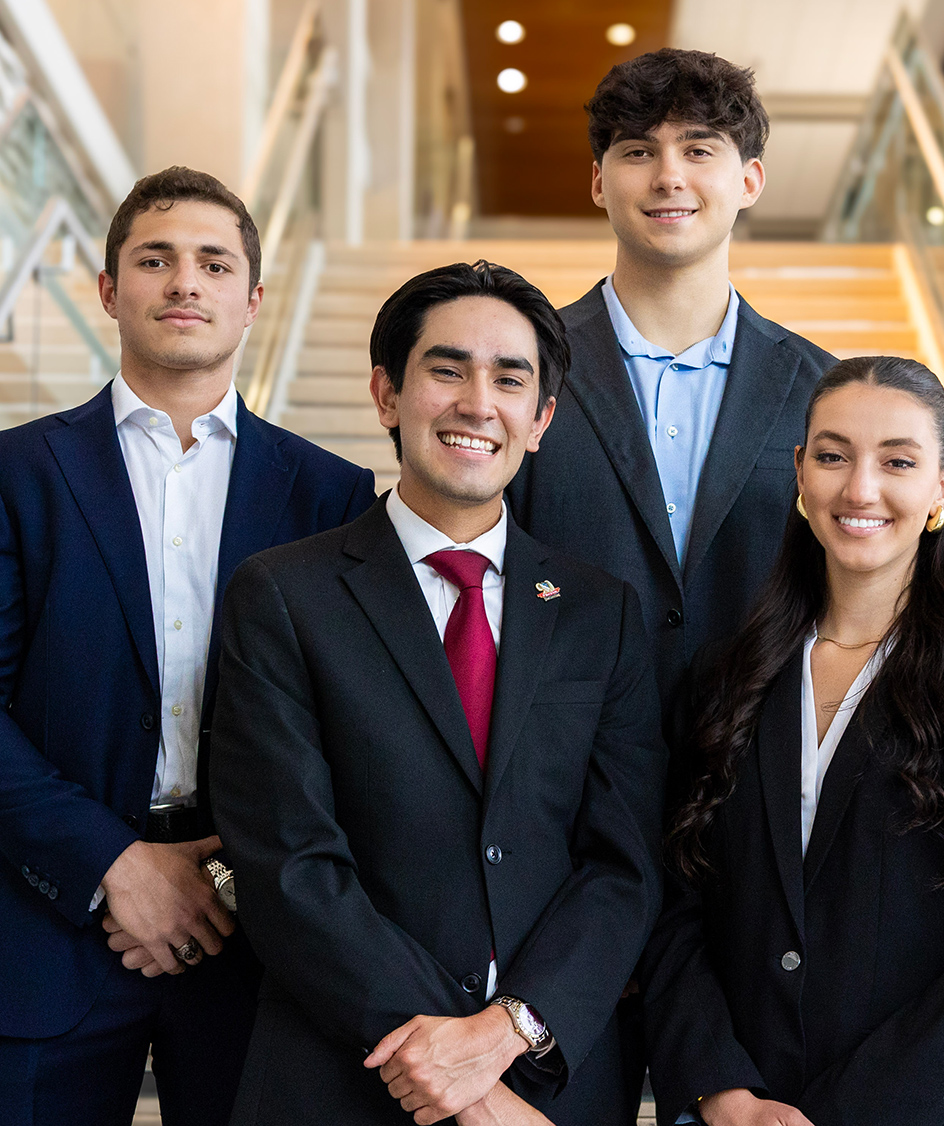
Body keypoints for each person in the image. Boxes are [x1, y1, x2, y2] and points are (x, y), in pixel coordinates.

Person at [0, 166, 377, 1125]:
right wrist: (115, 864)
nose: (184, 283)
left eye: (213, 263)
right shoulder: (8, 474)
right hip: (47, 917)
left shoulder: (328, 492)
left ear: (251, 301)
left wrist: (229, 877)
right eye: (154, 260)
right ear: (112, 291)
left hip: (261, 931)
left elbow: (346, 725)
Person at [209, 261, 666, 1126]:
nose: (476, 402)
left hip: (549, 1080)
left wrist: (507, 1034)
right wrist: (460, 1078)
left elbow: (625, 864)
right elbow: (288, 863)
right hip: (345, 1073)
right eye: (446, 369)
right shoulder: (284, 595)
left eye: (510, 379)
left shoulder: (598, 611)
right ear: (387, 394)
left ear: (541, 421)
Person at [641, 355, 944, 1126]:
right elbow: (675, 903)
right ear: (801, 473)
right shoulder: (723, 678)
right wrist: (722, 1090)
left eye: (897, 461)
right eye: (833, 456)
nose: (860, 489)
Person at [507, 48, 838, 703]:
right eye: (637, 152)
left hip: (760, 770)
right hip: (567, 764)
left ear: (749, 181)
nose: (667, 177)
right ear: (599, 181)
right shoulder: (524, 368)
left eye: (699, 150)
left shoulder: (821, 388)